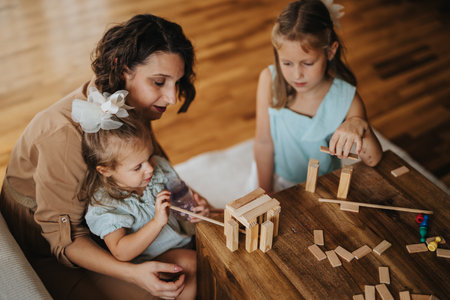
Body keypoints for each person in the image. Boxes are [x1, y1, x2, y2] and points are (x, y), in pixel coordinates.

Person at [0, 14, 211, 300]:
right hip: (54, 243)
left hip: (113, 225)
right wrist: (134, 274)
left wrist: (191, 203)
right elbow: (66, 238)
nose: (173, 98)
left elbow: (157, 171)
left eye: (177, 82)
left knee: (199, 259)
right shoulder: (62, 136)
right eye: (160, 82)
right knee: (169, 287)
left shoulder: (131, 103)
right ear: (120, 69)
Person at [73, 93, 197, 299]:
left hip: (183, 238)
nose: (149, 168)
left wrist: (194, 207)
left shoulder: (158, 167)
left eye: (149, 156)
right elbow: (121, 251)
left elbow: (183, 198)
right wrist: (157, 222)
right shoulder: (105, 203)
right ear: (106, 170)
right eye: (137, 166)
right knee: (190, 264)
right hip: (147, 259)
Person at [253, 0, 382, 193]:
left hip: (324, 187)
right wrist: (266, 192)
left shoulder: (346, 97)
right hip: (278, 181)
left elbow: (374, 160)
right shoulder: (269, 80)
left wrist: (360, 126)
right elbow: (263, 143)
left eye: (308, 63)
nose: (297, 75)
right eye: (287, 63)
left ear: (330, 51)